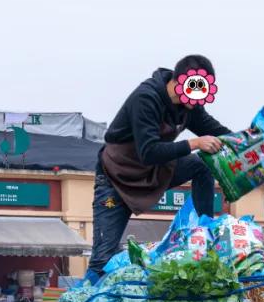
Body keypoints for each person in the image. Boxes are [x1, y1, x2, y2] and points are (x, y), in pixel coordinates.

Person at [84, 55, 231, 283]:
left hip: (154, 172)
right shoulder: (146, 98)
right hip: (117, 179)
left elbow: (220, 132)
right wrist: (194, 143)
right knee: (102, 260)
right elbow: (149, 151)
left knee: (202, 165)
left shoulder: (189, 105)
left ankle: (204, 231)